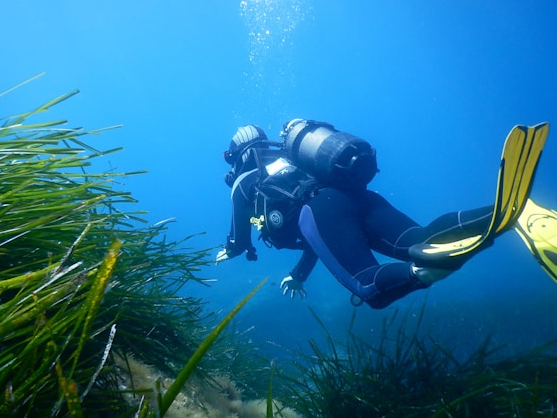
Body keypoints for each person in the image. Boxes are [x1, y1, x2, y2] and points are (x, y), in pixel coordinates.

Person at [216, 120, 556, 309]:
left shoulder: (245, 182)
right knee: (418, 239)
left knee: (368, 284)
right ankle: (515, 211)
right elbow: (315, 242)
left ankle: (424, 271)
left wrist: (228, 250)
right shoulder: (294, 161)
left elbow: (239, 240)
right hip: (354, 195)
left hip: (317, 210)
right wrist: (300, 274)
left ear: (235, 156)